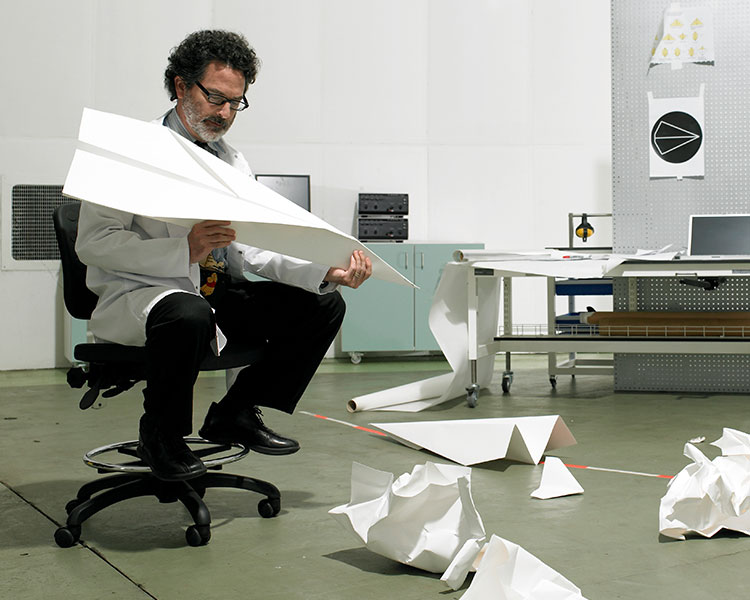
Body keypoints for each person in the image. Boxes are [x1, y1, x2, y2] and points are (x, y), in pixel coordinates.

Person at [75, 29, 372, 482]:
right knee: (187, 313)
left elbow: (249, 245)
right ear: (180, 86)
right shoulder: (124, 153)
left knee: (322, 304)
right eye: (216, 97)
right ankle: (162, 436)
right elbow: (93, 243)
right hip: (145, 295)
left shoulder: (232, 161)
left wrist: (323, 270)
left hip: (212, 290)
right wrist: (184, 249)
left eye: (237, 102)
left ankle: (234, 413)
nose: (226, 113)